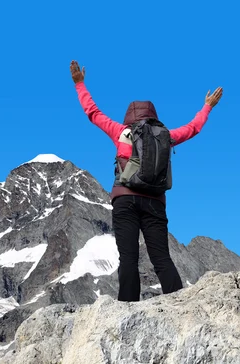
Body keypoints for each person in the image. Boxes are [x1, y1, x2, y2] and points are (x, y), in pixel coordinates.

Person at [69, 60, 223, 302]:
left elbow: (93, 112)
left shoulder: (120, 131)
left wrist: (79, 84)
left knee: (128, 258)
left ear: (129, 116)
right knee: (161, 257)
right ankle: (179, 306)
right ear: (154, 117)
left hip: (125, 199)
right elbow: (194, 128)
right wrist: (207, 106)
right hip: (155, 202)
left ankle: (126, 308)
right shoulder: (166, 136)